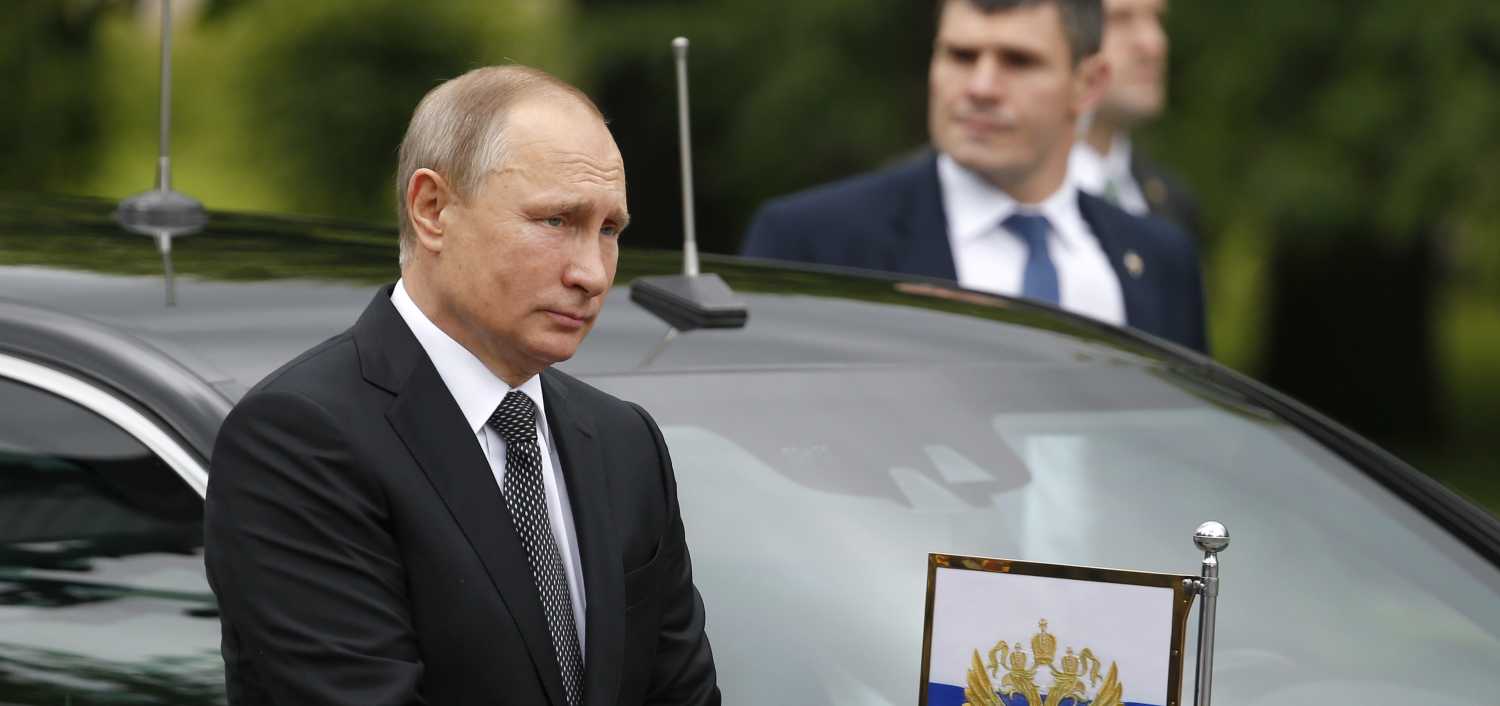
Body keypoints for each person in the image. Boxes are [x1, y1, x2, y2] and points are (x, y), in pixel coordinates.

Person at [204, 65, 721, 706]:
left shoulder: (624, 442)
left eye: (609, 230)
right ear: (433, 210)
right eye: (556, 220)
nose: (591, 273)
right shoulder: (300, 439)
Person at [742, 0, 1206, 352]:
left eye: (1018, 61)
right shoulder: (813, 242)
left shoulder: (1161, 259)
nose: (981, 88)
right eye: (961, 56)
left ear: (1087, 84)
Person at [1068, 0, 1202, 237]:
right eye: (1120, 19)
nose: (1155, 44)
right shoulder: (1016, 194)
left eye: (1158, 18)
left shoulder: (1173, 204)